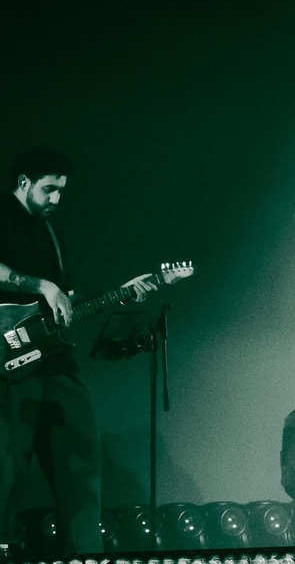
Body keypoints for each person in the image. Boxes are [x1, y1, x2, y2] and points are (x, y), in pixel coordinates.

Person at [0, 146, 157, 554]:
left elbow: (64, 300)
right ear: (24, 184)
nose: (56, 199)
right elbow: (42, 288)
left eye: (61, 192)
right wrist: (41, 285)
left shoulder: (51, 233)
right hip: (8, 364)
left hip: (55, 364)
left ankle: (83, 553)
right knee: (7, 472)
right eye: (49, 189)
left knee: (81, 464)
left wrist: (118, 294)